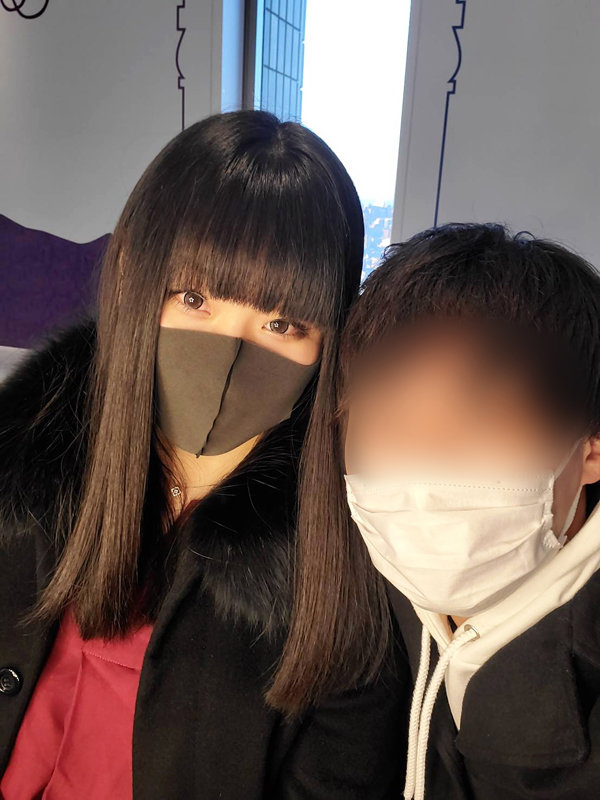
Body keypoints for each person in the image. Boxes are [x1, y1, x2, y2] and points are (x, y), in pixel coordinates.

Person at [0, 110, 406, 799]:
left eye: (283, 322)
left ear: (329, 339)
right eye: (194, 298)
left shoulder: (347, 561)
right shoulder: (27, 455)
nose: (230, 352)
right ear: (133, 278)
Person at [291, 221, 600, 799]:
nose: (424, 457)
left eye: (478, 419)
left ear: (590, 450)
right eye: (390, 419)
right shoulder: (362, 593)